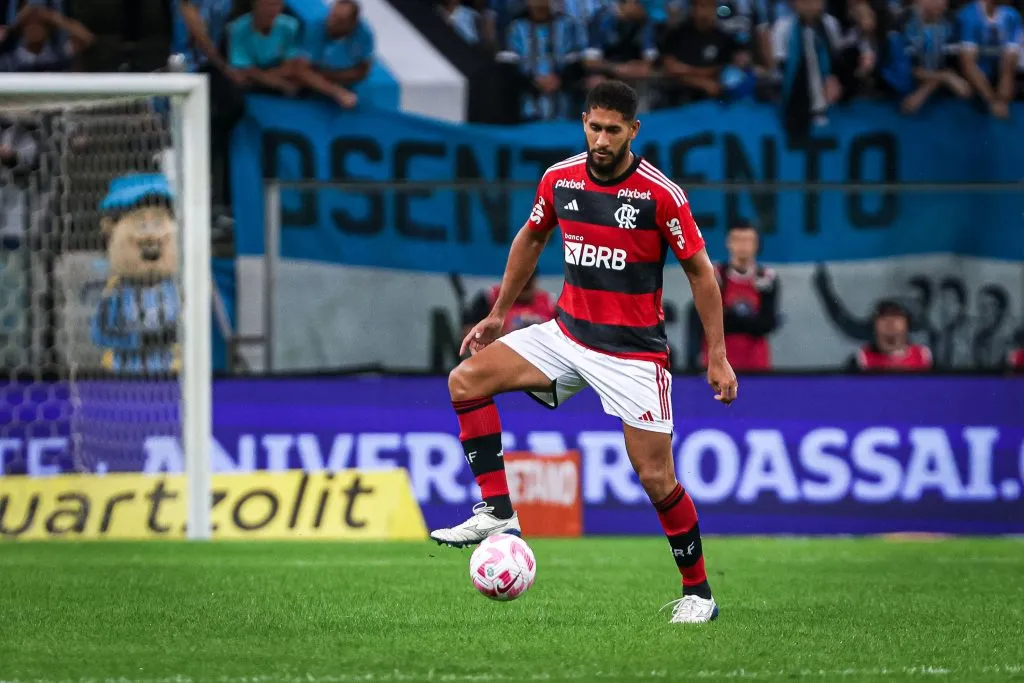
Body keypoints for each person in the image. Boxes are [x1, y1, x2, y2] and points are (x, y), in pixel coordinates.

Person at [429, 80, 737, 625]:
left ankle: (699, 594)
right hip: (567, 336)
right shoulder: (560, 178)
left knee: (656, 479)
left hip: (633, 354)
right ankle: (497, 511)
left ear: (633, 131)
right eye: (594, 127)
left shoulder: (660, 194)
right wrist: (499, 313)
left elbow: (701, 273)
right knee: (465, 380)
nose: (601, 139)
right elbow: (531, 237)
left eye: (613, 130)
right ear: (583, 122)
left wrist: (717, 354)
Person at [701, 219, 779, 371]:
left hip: (756, 364)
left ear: (757, 244)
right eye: (737, 240)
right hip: (720, 365)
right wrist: (750, 321)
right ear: (728, 243)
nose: (742, 245)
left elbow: (768, 323)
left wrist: (731, 317)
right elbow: (708, 320)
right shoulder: (715, 276)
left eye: (748, 240)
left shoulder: (767, 278)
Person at [461, 272, 555, 343]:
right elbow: (469, 333)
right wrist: (500, 336)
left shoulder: (549, 302)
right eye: (519, 282)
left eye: (528, 283)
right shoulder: (490, 298)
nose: (523, 285)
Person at [848, 299, 932, 371]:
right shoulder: (861, 359)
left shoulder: (923, 356)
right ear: (874, 325)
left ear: (907, 323)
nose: (890, 323)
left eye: (896, 316)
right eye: (884, 317)